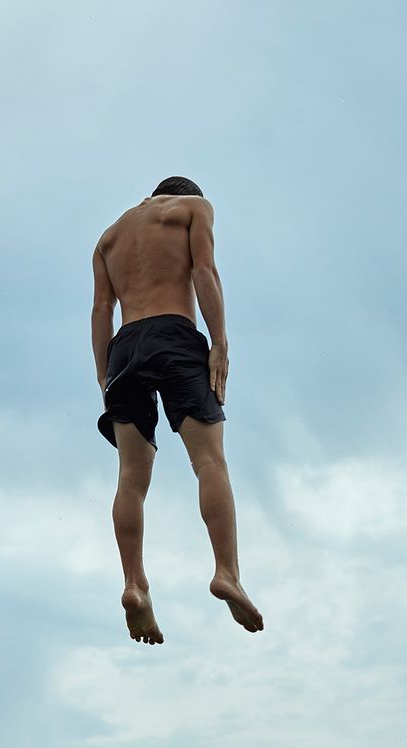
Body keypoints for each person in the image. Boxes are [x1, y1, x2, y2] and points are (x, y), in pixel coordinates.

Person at [91, 176, 264, 645]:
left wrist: (105, 376)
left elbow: (101, 309)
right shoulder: (194, 208)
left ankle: (134, 583)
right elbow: (205, 272)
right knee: (209, 461)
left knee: (130, 477)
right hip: (174, 336)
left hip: (124, 348)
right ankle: (227, 572)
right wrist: (220, 342)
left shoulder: (108, 238)